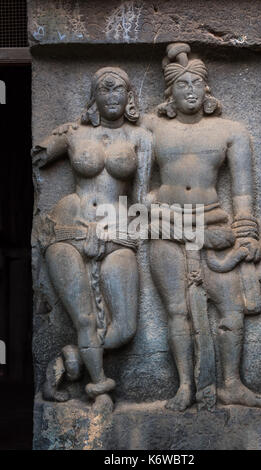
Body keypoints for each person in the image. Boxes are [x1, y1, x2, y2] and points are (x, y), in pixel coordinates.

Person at [141, 43, 261, 411]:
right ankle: (185, 386)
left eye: (197, 83)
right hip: (167, 228)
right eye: (182, 84)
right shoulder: (151, 127)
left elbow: (243, 194)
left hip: (216, 225)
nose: (191, 90)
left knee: (231, 309)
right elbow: (128, 164)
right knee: (177, 311)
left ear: (207, 88)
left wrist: (247, 235)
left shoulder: (231, 131)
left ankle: (230, 383)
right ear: (170, 91)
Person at [32, 67, 152, 401]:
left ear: (129, 97)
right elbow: (38, 156)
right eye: (105, 89)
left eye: (119, 90)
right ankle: (100, 390)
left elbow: (140, 199)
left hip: (116, 231)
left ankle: (71, 358)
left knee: (125, 327)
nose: (112, 96)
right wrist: (61, 134)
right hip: (69, 227)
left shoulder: (141, 137)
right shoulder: (74, 132)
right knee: (84, 317)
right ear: (93, 96)